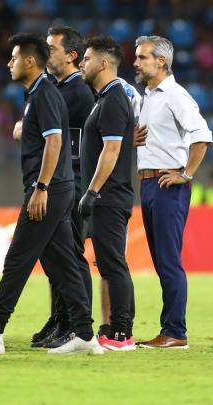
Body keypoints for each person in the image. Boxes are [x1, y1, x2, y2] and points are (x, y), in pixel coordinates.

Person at [0, 33, 103, 356]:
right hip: (58, 189)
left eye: (14, 57)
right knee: (62, 263)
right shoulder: (40, 92)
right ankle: (86, 335)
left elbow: (55, 142)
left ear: (30, 61)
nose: (9, 63)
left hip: (48, 190)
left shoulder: (44, 93)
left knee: (17, 259)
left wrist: (41, 187)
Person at [134, 35, 212, 349]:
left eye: (142, 57)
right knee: (161, 259)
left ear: (161, 62)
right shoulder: (150, 96)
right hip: (149, 183)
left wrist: (186, 173)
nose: (136, 63)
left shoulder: (176, 95)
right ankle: (171, 329)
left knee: (168, 260)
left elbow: (202, 137)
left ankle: (175, 332)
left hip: (168, 186)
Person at [27, 26, 94, 348]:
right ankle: (60, 317)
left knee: (72, 256)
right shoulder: (56, 89)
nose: (45, 54)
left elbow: (70, 141)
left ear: (71, 56)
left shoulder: (77, 92)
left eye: (51, 49)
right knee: (55, 256)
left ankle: (75, 324)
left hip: (72, 182)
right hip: (59, 180)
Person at [76, 35, 138, 351]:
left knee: (113, 264)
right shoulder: (104, 98)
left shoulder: (113, 99)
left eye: (85, 59)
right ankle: (112, 328)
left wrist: (92, 192)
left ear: (102, 63)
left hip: (109, 196)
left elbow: (111, 151)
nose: (81, 64)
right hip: (106, 196)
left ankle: (122, 333)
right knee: (108, 263)